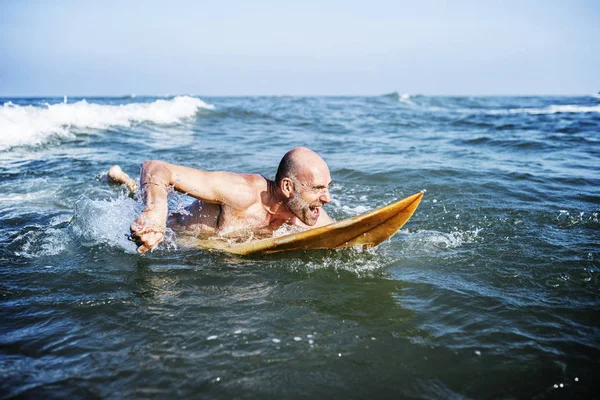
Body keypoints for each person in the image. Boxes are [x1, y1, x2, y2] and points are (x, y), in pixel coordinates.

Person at [107, 147, 333, 253]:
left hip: (216, 248)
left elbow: (346, 233)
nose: (327, 198)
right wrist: (155, 212)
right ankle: (128, 184)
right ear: (287, 187)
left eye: (328, 188)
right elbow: (155, 167)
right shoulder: (242, 193)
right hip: (172, 237)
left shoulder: (304, 214)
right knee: (145, 201)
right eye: (318, 189)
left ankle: (131, 186)